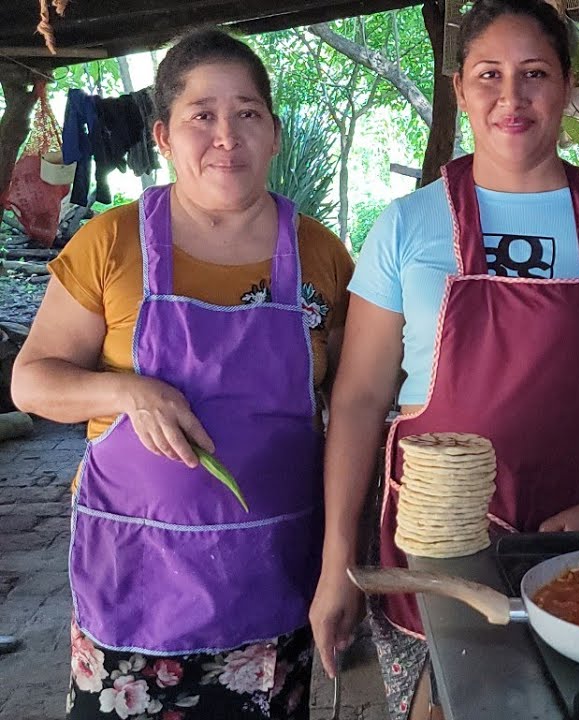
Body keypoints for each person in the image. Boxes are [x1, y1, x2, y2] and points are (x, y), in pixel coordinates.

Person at [307, 0, 579, 717]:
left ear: (571, 91)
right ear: (460, 89)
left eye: (535, 74)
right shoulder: (408, 224)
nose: (511, 96)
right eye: (489, 74)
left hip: (576, 544)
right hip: (432, 551)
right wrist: (338, 565)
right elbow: (359, 400)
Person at [12, 29, 353, 720]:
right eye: (203, 114)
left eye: (248, 113)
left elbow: (352, 402)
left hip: (274, 578)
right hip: (136, 582)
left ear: (274, 134)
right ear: (164, 136)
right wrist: (124, 389)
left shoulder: (319, 252)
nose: (226, 135)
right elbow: (31, 382)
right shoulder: (111, 241)